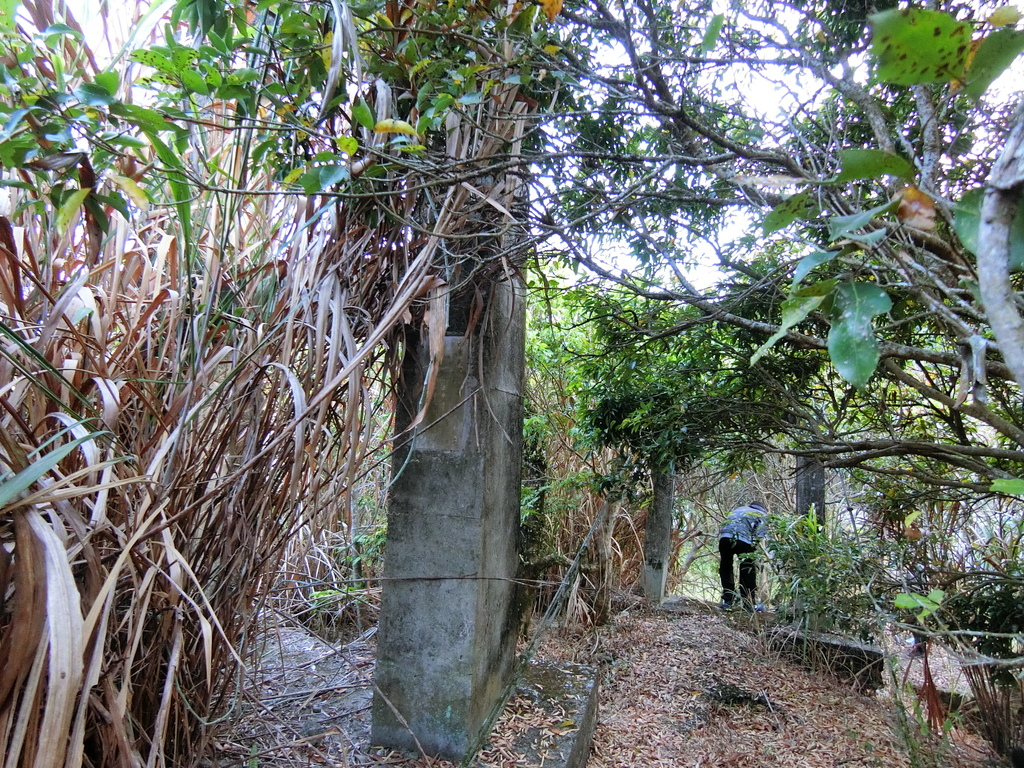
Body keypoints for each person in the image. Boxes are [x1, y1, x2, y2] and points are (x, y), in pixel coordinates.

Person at [719, 502, 767, 610]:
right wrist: (752, 549)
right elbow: (759, 535)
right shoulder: (761, 515)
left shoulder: (739, 509)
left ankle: (728, 600)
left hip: (724, 538)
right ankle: (748, 603)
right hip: (743, 540)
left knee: (726, 567)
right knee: (747, 569)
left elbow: (724, 526)